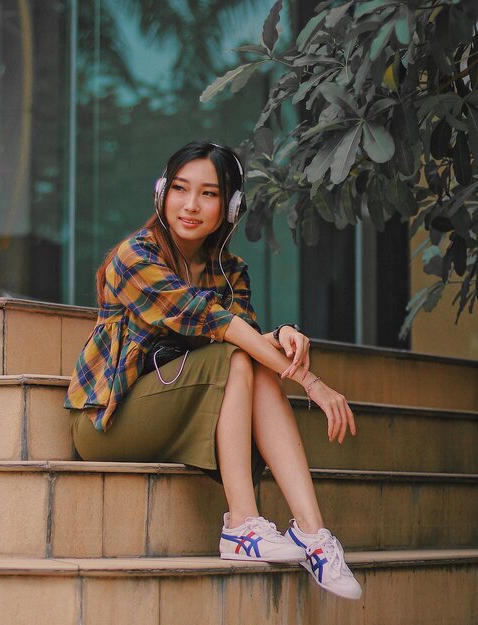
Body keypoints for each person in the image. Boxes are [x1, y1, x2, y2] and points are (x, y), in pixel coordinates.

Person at [65, 140, 362, 601]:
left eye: (208, 194)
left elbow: (247, 341)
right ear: (162, 194)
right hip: (112, 420)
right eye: (180, 189)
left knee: (252, 360)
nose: (190, 205)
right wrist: (311, 382)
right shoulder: (135, 256)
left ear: (230, 206)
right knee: (236, 352)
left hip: (181, 405)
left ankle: (313, 533)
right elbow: (213, 322)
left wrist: (283, 333)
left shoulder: (230, 270)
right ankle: (242, 524)